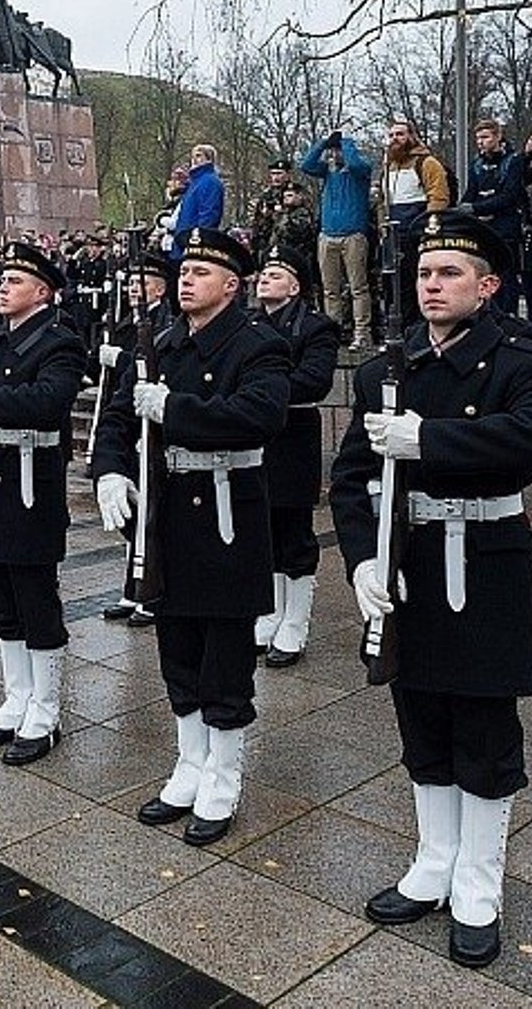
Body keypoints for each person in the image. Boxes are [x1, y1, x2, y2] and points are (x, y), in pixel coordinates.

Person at [330, 211, 532, 969]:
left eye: (450, 274)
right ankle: (434, 861)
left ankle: (478, 880)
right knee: (422, 715)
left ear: (487, 286)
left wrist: (430, 440)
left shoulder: (523, 359)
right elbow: (351, 480)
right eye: (425, 274)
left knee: (484, 727)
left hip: (488, 559)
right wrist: (365, 559)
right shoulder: (386, 370)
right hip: (411, 558)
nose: (432, 286)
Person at [93, 228, 291, 842]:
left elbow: (261, 416)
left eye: (201, 273)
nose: (185, 280)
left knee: (223, 655)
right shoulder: (160, 343)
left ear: (233, 286)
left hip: (228, 514)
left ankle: (224, 774)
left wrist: (174, 410)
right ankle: (190, 761)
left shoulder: (258, 345)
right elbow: (118, 417)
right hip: (168, 513)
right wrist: (111, 472)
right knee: (176, 645)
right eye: (184, 270)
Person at [0, 243, 88, 757]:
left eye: (13, 282)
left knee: (35, 600)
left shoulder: (60, 343)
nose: (1, 289)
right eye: (1, 281)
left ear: (42, 292)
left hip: (32, 483)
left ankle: (46, 709)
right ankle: (16, 699)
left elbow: (48, 402)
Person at [249, 244, 340, 667]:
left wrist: (260, 392)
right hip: (254, 438)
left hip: (292, 438)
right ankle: (268, 612)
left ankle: (295, 622)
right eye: (263, 273)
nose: (264, 278)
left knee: (295, 535)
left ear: (295, 286)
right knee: (262, 531)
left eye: (275, 273)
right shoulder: (247, 324)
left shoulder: (316, 327)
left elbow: (314, 381)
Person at [100, 251, 174, 626]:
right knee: (132, 507)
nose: (133, 289)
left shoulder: (163, 321)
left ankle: (149, 587)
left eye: (141, 283)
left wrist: (122, 359)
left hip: (153, 424)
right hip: (128, 415)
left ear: (159, 288)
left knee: (150, 510)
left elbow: (149, 365)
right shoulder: (129, 319)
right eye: (130, 283)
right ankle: (133, 585)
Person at [300, 129, 375, 351]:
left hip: (353, 235)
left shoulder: (360, 171)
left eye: (337, 151)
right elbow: (306, 165)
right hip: (327, 235)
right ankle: (331, 332)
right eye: (335, 151)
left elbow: (356, 164)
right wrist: (324, 143)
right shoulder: (327, 172)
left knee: (358, 287)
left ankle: (362, 333)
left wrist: (346, 143)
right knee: (329, 289)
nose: (336, 154)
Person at [374, 119, 452, 327]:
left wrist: (427, 226)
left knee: (417, 283)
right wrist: (383, 227)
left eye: (400, 134)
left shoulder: (426, 163)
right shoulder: (387, 166)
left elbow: (439, 196)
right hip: (393, 235)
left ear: (411, 136)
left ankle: (420, 328)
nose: (395, 140)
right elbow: (382, 201)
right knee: (395, 288)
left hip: (416, 233)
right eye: (391, 136)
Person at [459, 121, 527, 315]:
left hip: (506, 229)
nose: (481, 142)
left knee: (506, 277)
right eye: (478, 138)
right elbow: (471, 193)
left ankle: (508, 317)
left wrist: (476, 207)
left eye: (486, 137)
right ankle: (489, 316)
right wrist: (464, 209)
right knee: (485, 275)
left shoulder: (512, 161)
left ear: (498, 137)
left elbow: (509, 196)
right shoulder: (477, 164)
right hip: (483, 229)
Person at [167, 143, 226, 259]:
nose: (194, 159)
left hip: (193, 244)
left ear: (209, 158)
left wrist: (198, 241)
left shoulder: (211, 182)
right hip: (182, 242)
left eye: (199, 155)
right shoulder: (194, 183)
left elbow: (209, 214)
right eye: (192, 156)